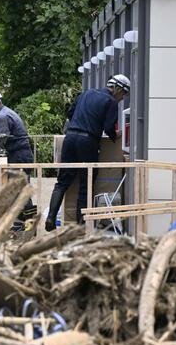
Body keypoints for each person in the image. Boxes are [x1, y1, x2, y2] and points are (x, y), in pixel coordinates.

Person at [44, 74, 130, 232]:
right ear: (117, 89)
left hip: (70, 139)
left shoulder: (86, 93)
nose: (122, 98)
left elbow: (70, 113)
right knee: (86, 184)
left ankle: (51, 217)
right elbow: (108, 127)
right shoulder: (110, 102)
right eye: (123, 94)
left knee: (62, 181)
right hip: (88, 142)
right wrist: (115, 135)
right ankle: (80, 226)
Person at [0, 88, 36, 225]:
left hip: (20, 157)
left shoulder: (2, 117)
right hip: (20, 155)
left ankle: (27, 223)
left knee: (19, 190)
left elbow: (0, 140)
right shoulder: (6, 113)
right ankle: (24, 223)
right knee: (19, 189)